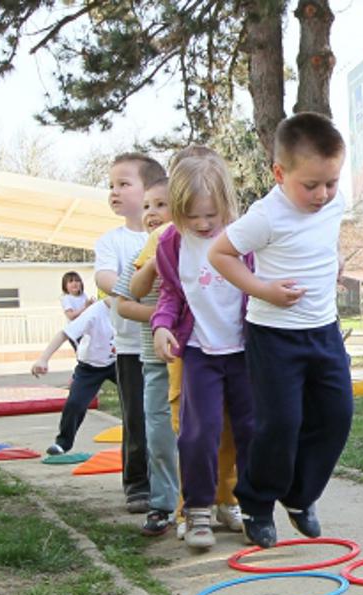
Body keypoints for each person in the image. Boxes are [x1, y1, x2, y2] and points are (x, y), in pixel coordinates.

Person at [208, 113, 353, 549]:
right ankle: (255, 501)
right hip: (274, 336)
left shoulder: (335, 202)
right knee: (280, 423)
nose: (323, 194)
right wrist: (263, 289)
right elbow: (221, 254)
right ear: (279, 173)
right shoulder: (265, 216)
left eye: (330, 182)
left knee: (336, 415)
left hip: (324, 331)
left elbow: (324, 237)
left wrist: (335, 262)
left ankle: (300, 495)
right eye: (311, 185)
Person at [151, 153, 255, 550]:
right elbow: (171, 295)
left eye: (211, 214)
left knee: (250, 430)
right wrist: (162, 325)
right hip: (198, 352)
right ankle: (197, 509)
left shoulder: (245, 236)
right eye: (192, 216)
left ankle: (251, 505)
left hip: (245, 352)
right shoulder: (171, 244)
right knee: (199, 432)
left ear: (227, 204)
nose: (203, 224)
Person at [94, 152, 165, 512]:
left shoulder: (171, 235)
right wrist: (126, 291)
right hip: (130, 346)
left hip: (168, 347)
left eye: (124, 184)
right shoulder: (113, 241)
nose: (114, 192)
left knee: (165, 416)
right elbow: (105, 278)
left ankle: (171, 482)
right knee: (136, 416)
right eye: (111, 186)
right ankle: (137, 482)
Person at [113, 176, 179, 535]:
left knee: (202, 432)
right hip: (155, 362)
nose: (152, 213)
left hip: (195, 361)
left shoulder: (195, 247)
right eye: (148, 205)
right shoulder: (143, 256)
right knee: (158, 433)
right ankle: (163, 503)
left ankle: (210, 500)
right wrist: (164, 318)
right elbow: (124, 304)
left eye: (161, 205)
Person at [31, 298, 118, 455]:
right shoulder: (96, 312)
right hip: (90, 367)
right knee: (75, 403)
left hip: (119, 363)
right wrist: (43, 359)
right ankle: (63, 443)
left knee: (139, 397)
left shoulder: (132, 309)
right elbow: (64, 334)